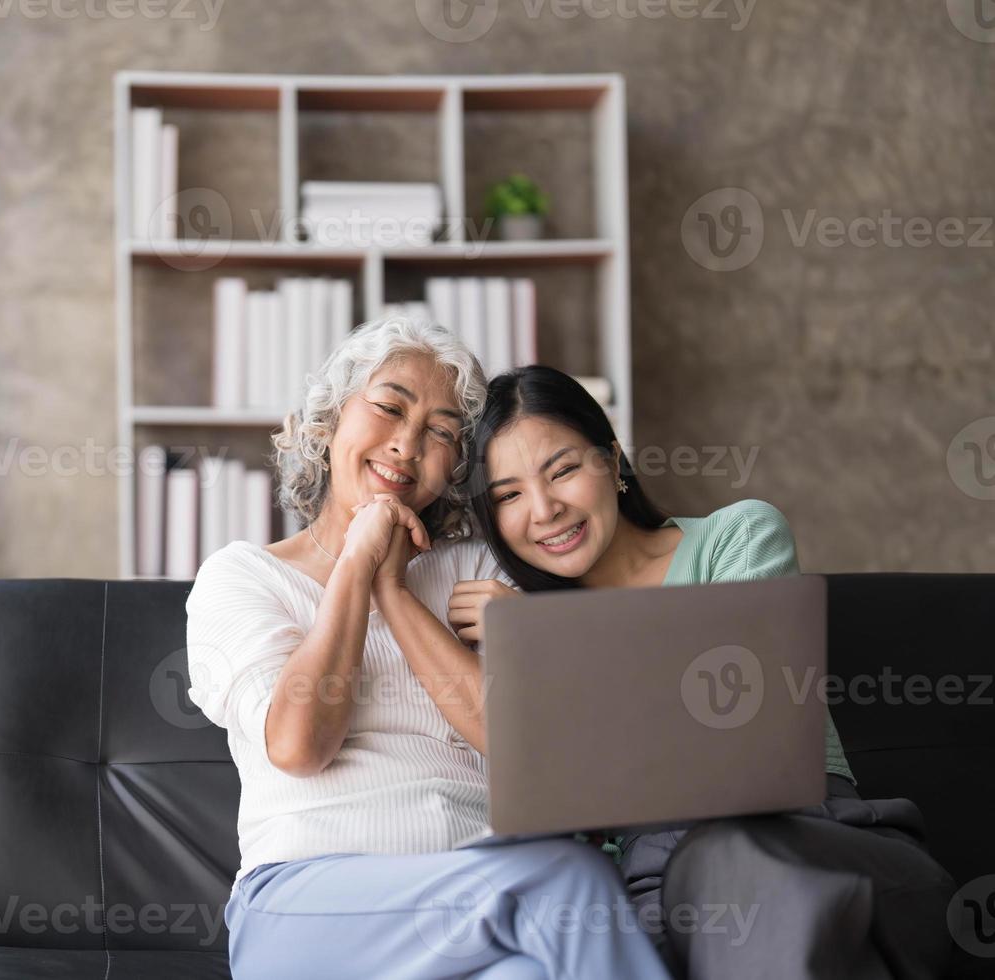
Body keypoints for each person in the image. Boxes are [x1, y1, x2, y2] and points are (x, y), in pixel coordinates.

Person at [185, 317, 670, 979]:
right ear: (329, 422)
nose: (407, 446)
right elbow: (300, 745)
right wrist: (358, 564)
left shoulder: (477, 571)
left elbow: (530, 753)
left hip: (480, 902)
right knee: (574, 887)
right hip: (304, 906)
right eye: (388, 408)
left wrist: (398, 590)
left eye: (441, 432)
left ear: (457, 466)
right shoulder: (242, 576)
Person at [448, 364, 957, 979]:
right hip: (658, 892)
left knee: (735, 860)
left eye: (563, 470)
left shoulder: (736, 539)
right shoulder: (518, 630)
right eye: (507, 495)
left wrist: (543, 647)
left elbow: (744, 734)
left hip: (814, 841)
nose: (545, 509)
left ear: (611, 460)